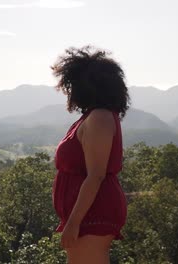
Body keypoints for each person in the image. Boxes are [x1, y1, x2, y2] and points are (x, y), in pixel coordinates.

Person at [51, 46, 129, 264]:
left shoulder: (99, 118)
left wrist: (74, 222)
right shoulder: (91, 117)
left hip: (93, 211)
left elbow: (96, 175)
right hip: (86, 212)